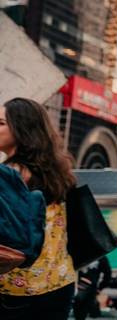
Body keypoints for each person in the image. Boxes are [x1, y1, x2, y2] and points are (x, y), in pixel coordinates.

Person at [0, 98, 78, 319]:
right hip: (59, 283)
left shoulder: (8, 174)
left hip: (13, 288)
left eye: (0, 123)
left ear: (21, 129)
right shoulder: (59, 173)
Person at [73, 255, 111, 320]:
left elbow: (107, 273)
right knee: (81, 310)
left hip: (88, 287)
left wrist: (101, 287)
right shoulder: (101, 256)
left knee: (83, 310)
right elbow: (107, 273)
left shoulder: (101, 257)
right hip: (81, 286)